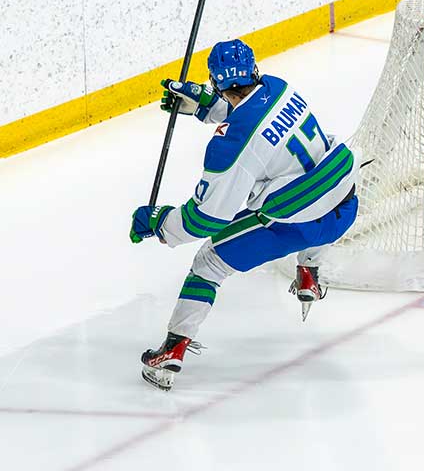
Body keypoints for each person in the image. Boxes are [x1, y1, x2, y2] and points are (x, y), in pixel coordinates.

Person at [129, 39, 358, 391]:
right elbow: (251, 116)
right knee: (308, 184)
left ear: (215, 82)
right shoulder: (279, 87)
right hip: (344, 206)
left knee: (209, 262)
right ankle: (309, 272)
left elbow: (204, 220)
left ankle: (173, 351)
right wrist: (205, 106)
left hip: (300, 227)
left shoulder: (229, 147)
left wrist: (160, 222)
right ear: (253, 69)